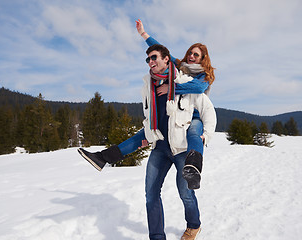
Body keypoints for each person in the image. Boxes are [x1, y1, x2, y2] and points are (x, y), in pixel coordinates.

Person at [80, 44, 217, 240]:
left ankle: (194, 225)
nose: (151, 62)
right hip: (160, 148)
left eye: (154, 58)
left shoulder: (185, 82)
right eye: (148, 59)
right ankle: (157, 236)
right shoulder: (148, 86)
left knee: (186, 194)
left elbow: (208, 110)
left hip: (181, 148)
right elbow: (149, 116)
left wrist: (207, 134)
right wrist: (148, 135)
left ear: (166, 60)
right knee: (151, 195)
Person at [78, 20, 216, 190]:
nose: (191, 56)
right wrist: (144, 34)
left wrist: (172, 89)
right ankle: (103, 158)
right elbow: (161, 51)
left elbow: (199, 88)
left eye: (196, 55)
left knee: (194, 133)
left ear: (203, 59)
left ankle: (194, 167)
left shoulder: (204, 75)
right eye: (190, 53)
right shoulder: (179, 66)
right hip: (176, 113)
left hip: (194, 113)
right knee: (140, 136)